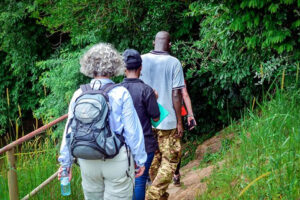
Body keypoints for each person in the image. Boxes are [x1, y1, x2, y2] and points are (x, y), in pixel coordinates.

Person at [58, 43, 147, 200]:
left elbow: (69, 130)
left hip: (87, 159)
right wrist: (140, 160)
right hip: (116, 159)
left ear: (88, 65)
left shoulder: (79, 93)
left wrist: (66, 164)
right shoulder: (121, 93)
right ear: (115, 65)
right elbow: (132, 132)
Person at [140, 31, 185, 200]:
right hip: (168, 121)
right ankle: (153, 195)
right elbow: (176, 94)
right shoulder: (173, 62)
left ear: (154, 42)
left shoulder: (142, 60)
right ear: (170, 45)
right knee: (171, 159)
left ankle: (160, 195)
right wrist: (180, 121)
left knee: (153, 159)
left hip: (146, 119)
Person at [121, 49, 160, 200]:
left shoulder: (116, 90)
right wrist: (154, 99)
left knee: (125, 182)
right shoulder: (146, 90)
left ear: (124, 68)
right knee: (139, 181)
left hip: (122, 146)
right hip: (145, 143)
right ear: (140, 67)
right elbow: (156, 118)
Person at [173, 82, 197, 186]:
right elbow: (184, 94)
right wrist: (190, 115)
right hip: (175, 114)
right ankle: (176, 173)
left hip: (159, 114)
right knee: (176, 145)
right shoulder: (176, 71)